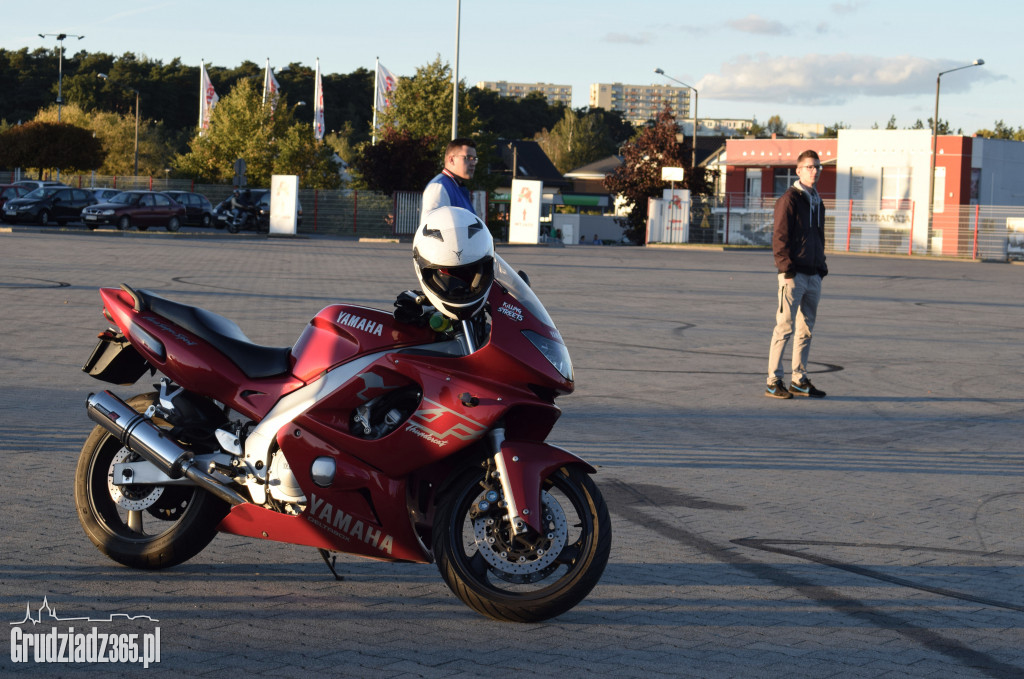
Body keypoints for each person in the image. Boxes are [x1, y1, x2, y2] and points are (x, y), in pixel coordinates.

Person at [765, 149, 828, 399]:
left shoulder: (817, 201)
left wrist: (821, 267)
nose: (815, 171)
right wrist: (786, 269)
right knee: (784, 327)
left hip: (813, 275)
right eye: (810, 167)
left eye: (818, 167)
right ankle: (773, 380)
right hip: (793, 275)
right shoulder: (789, 199)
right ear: (799, 170)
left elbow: (819, 237)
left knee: (806, 329)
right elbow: (779, 237)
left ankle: (799, 379)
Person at [421, 138, 478, 217]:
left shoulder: (459, 188)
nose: (473, 163)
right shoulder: (439, 187)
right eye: (468, 158)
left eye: (474, 159)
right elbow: (433, 227)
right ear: (451, 159)